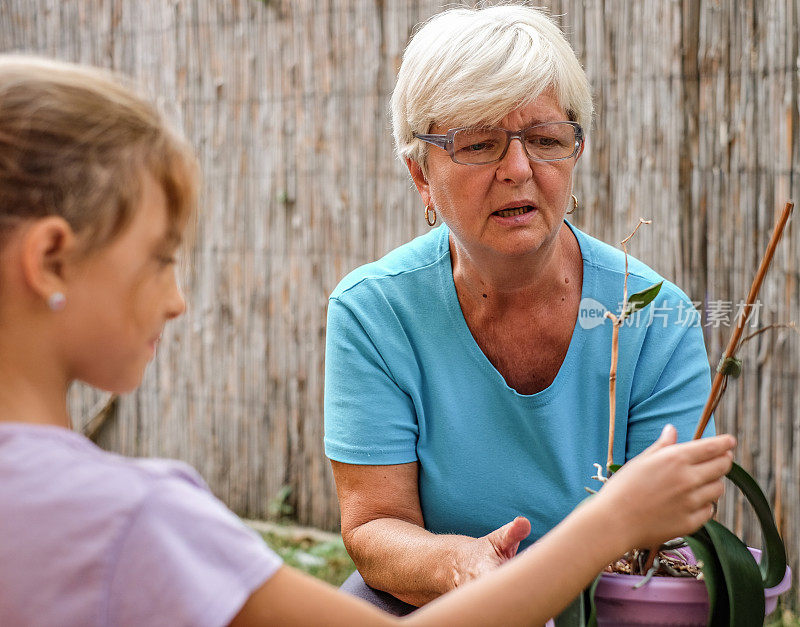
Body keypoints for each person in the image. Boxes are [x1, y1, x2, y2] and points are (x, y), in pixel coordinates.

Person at [0, 56, 734, 627]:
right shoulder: (132, 518)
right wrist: (611, 520)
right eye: (161, 257)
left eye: (544, 139)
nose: (178, 298)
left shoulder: (654, 310)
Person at [323, 4, 716, 613]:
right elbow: (375, 529)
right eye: (478, 144)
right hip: (437, 604)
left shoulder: (655, 317)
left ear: (574, 152)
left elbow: (671, 535)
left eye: (545, 140)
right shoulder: (375, 312)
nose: (518, 169)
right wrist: (459, 563)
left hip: (614, 605)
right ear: (419, 174)